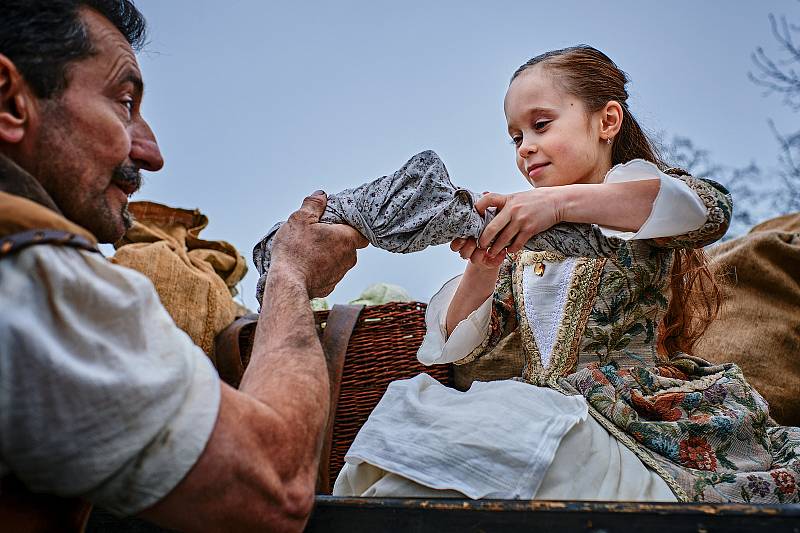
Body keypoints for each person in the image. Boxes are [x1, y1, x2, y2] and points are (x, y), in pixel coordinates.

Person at [334, 46, 800, 504]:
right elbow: (460, 339)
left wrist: (557, 204)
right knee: (413, 423)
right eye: (516, 137)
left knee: (482, 433)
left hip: (629, 415)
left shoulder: (637, 205)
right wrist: (486, 262)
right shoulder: (525, 248)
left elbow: (708, 210)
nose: (526, 148)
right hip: (542, 404)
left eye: (541, 125)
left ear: (607, 122)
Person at [0, 1, 366, 531]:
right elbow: (275, 484)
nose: (150, 152)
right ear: (11, 103)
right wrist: (291, 274)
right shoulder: (39, 281)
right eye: (124, 103)